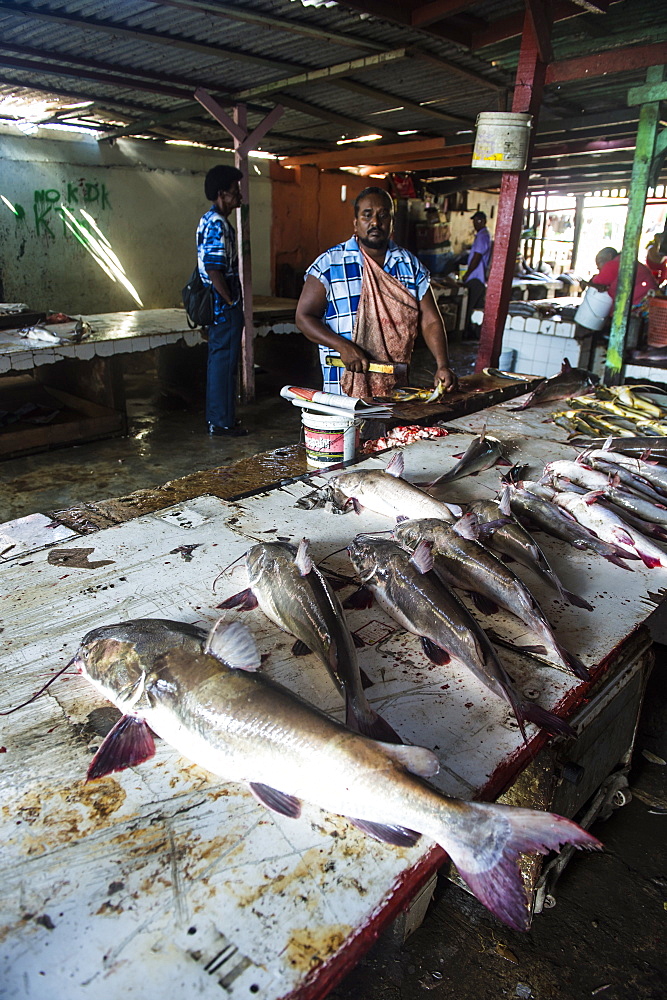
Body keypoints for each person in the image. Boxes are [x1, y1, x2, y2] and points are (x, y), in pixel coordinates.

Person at [295, 187, 458, 398]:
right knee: (348, 431)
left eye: (383, 215)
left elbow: (430, 320)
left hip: (394, 386)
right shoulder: (330, 263)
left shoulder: (408, 264)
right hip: (342, 386)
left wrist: (442, 364)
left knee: (391, 431)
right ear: (355, 222)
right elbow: (303, 317)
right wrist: (342, 346)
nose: (375, 222)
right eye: (367, 215)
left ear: (392, 222)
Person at [197, 164, 248, 437]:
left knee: (219, 362)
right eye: (234, 190)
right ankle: (222, 422)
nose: (239, 195)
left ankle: (219, 418)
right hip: (223, 308)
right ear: (221, 193)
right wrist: (229, 302)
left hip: (218, 307)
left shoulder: (208, 219)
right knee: (225, 364)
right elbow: (213, 267)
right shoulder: (218, 224)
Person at [460, 210, 492, 337]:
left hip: (476, 278)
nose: (475, 224)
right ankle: (474, 333)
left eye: (478, 221)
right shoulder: (482, 235)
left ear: (483, 221)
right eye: (474, 221)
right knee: (476, 308)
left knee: (469, 307)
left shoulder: (482, 236)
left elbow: (477, 256)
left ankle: (467, 333)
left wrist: (468, 273)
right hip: (479, 278)